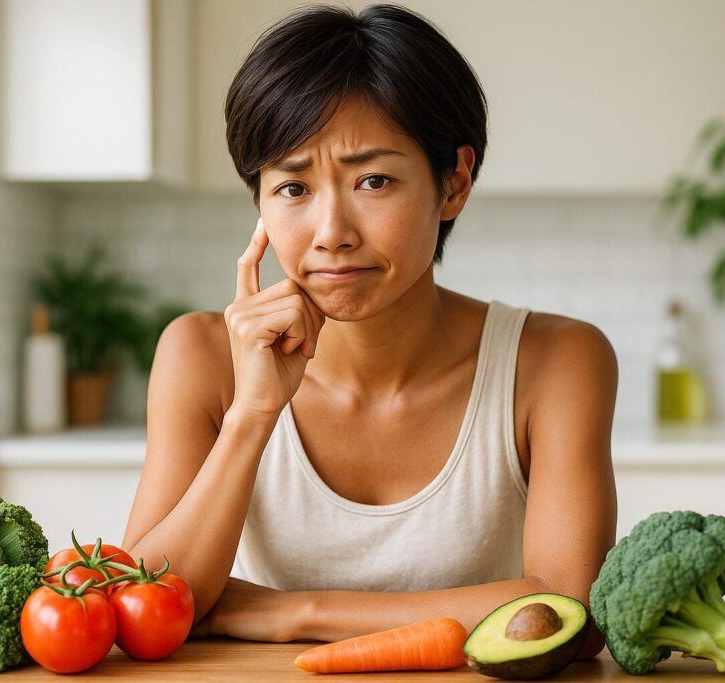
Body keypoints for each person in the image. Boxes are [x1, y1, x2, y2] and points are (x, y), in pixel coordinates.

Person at [122, 3, 617, 656]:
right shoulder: (199, 354)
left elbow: (565, 610)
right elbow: (138, 603)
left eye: (373, 180)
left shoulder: (557, 360)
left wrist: (292, 611)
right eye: (294, 187)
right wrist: (252, 414)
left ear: (454, 182)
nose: (332, 233)